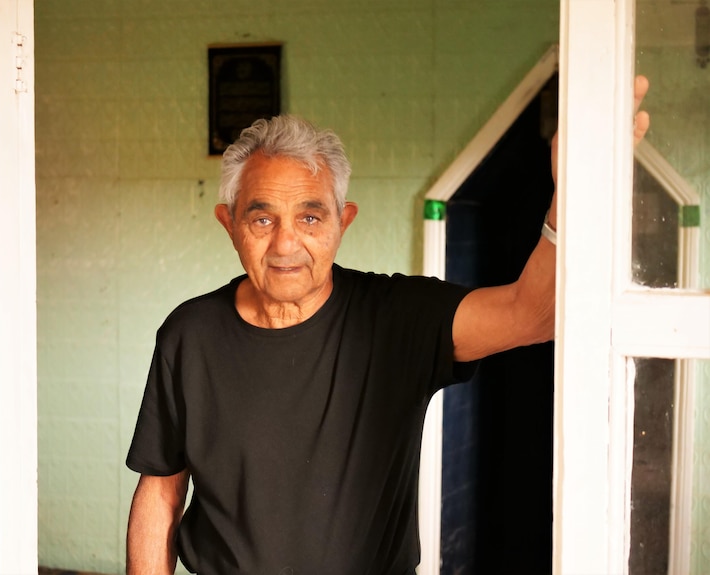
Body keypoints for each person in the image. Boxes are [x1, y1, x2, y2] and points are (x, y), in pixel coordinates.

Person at [125, 77, 651, 575]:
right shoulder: (188, 335)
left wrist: (578, 195)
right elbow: (161, 491)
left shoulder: (399, 317)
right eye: (263, 219)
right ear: (230, 223)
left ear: (342, 221)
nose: (286, 244)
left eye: (310, 218)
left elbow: (534, 313)